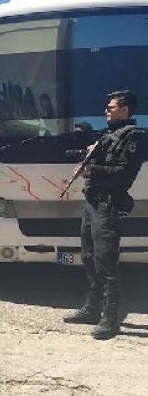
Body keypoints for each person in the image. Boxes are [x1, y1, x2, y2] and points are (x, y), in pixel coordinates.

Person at [64, 90, 148, 340]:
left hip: (108, 206)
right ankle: (92, 308)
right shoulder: (108, 135)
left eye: (110, 108)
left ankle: (110, 318)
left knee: (106, 262)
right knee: (89, 257)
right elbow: (100, 162)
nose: (106, 111)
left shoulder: (135, 136)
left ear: (125, 110)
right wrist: (85, 155)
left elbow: (123, 173)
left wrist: (90, 169)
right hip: (92, 203)